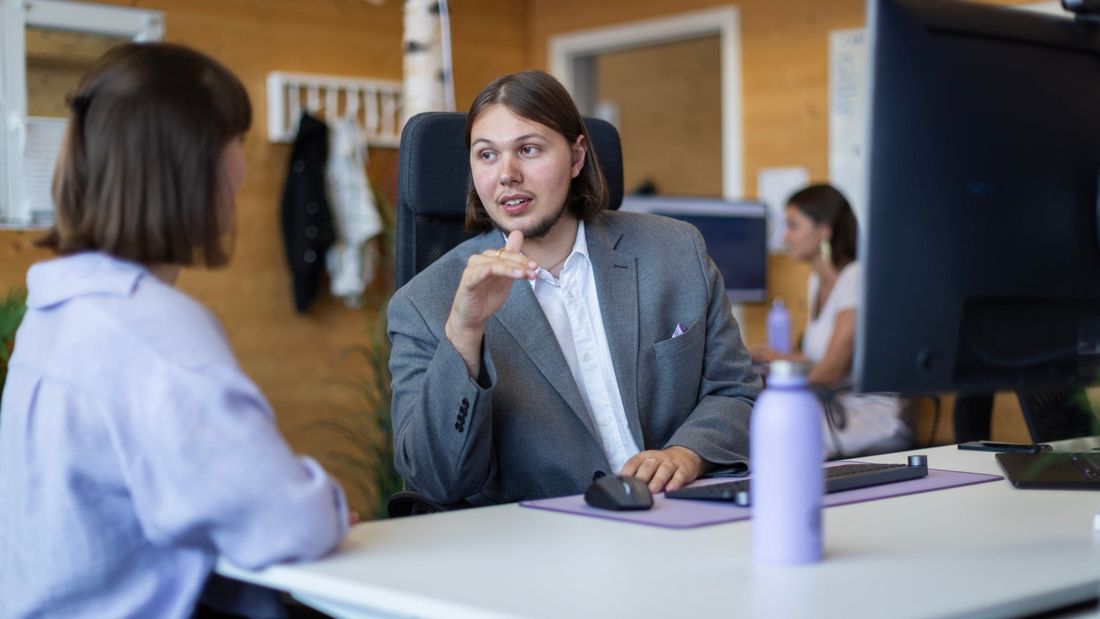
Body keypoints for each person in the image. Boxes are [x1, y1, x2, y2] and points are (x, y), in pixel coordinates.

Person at [0, 43, 350, 619]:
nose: (242, 168)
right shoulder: (151, 333)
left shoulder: (58, 309)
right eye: (236, 141)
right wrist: (326, 502)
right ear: (190, 164)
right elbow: (286, 523)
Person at [387, 70, 761, 506]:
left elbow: (737, 394)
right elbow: (437, 482)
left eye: (528, 149)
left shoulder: (676, 252)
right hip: (541, 549)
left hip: (679, 516)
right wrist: (465, 333)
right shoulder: (424, 305)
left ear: (577, 157)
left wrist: (688, 452)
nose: (507, 174)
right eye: (486, 155)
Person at [757, 183, 912, 458]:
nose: (785, 237)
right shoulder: (816, 281)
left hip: (868, 416)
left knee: (770, 429)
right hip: (831, 405)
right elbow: (817, 360)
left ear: (824, 229)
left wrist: (774, 390)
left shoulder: (856, 277)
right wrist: (776, 358)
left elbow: (831, 370)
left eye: (793, 225)